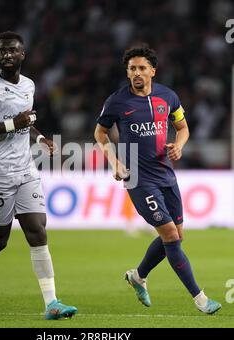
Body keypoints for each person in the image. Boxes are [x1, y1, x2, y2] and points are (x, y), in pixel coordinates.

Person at [0, 31, 77, 320]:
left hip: (25, 170)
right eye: (1, 51)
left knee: (38, 230)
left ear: (23, 54)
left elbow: (26, 121)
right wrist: (13, 123)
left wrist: (40, 138)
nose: (6, 55)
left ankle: (52, 304)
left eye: (12, 51)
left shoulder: (28, 85)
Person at [94, 46, 221, 314]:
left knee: (177, 236)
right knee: (170, 235)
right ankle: (200, 299)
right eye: (132, 69)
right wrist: (115, 161)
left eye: (141, 68)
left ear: (153, 70)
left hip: (166, 175)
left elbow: (183, 127)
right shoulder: (117, 101)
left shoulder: (168, 96)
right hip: (138, 178)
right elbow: (100, 133)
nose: (136, 73)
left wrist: (180, 145)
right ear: (127, 72)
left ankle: (138, 276)